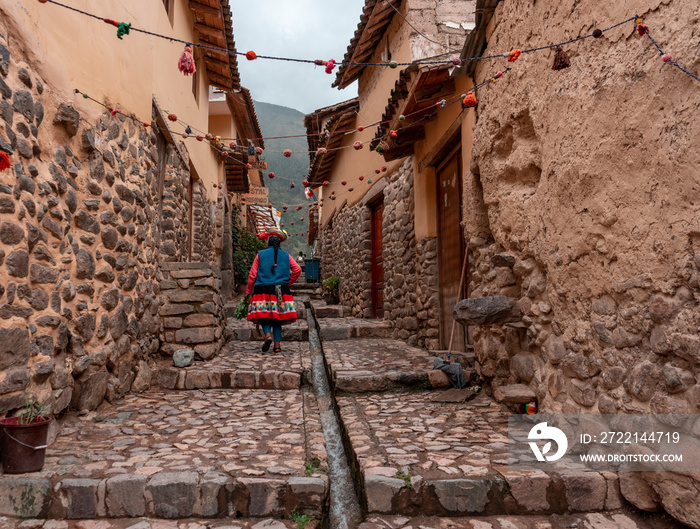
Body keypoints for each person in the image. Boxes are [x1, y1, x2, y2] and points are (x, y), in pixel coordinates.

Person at [246, 228, 301, 353]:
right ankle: (277, 346)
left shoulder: (260, 254)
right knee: (278, 318)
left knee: (264, 316)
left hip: (262, 290)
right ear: (280, 243)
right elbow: (297, 269)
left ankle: (267, 335)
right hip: (280, 291)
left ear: (268, 243)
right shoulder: (286, 255)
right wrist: (287, 282)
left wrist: (248, 291)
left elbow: (252, 275)